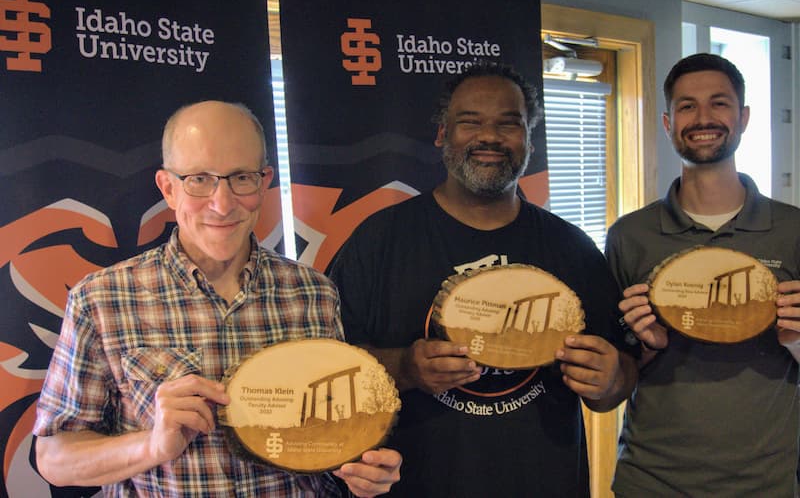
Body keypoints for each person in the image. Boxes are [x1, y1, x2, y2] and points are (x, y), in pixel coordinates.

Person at [33, 100, 402, 497]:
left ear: (263, 182)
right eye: (199, 179)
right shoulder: (103, 298)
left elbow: (331, 437)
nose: (223, 204)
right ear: (168, 187)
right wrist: (152, 445)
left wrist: (361, 472)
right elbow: (55, 458)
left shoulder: (313, 292)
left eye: (241, 177)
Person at [327, 62, 638, 496]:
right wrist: (406, 368)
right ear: (442, 134)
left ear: (529, 139)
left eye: (509, 124)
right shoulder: (379, 240)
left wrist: (610, 380)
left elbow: (613, 384)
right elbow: (329, 369)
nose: (489, 137)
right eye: (470, 122)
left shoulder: (571, 247)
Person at [606, 53, 800, 496]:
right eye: (687, 106)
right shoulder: (630, 235)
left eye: (720, 103)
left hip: (765, 483)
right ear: (667, 121)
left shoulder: (793, 231)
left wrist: (796, 339)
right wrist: (646, 345)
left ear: (744, 117)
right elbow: (612, 378)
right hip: (652, 480)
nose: (704, 118)